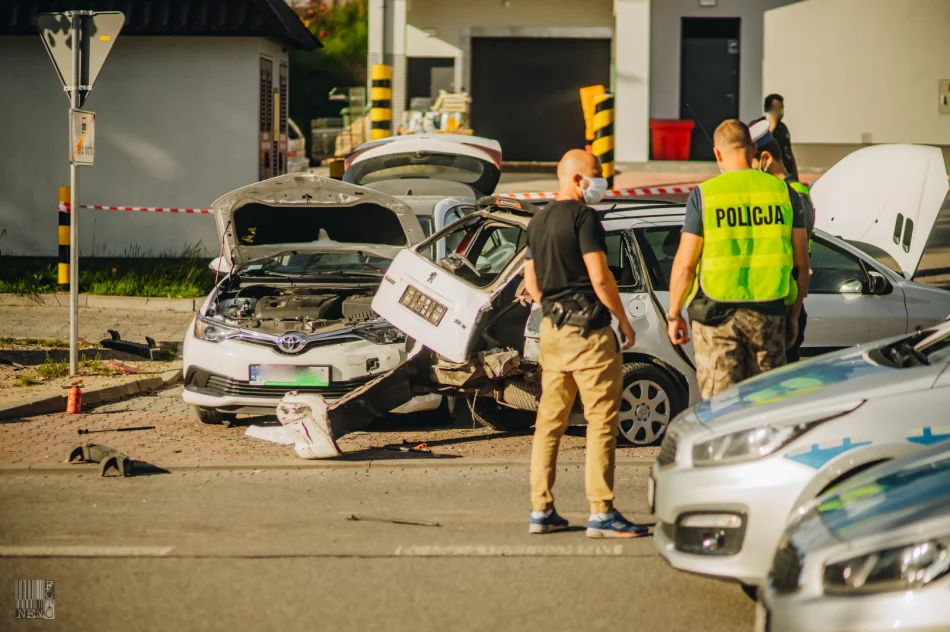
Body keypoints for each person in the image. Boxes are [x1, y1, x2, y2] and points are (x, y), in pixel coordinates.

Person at [522, 149, 648, 538]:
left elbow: (531, 284)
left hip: (552, 334)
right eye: (596, 175)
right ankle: (601, 511)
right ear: (576, 179)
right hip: (589, 335)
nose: (601, 182)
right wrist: (623, 322)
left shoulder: (538, 221)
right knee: (601, 422)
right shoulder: (584, 218)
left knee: (549, 423)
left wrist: (553, 309)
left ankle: (541, 509)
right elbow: (600, 278)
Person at [665, 120, 810, 399]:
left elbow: (685, 265)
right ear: (753, 148)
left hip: (715, 316)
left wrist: (674, 315)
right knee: (765, 409)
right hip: (768, 313)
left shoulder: (705, 195)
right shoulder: (785, 193)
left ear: (717, 154)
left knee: (721, 410)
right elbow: (801, 266)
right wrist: (793, 315)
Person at [748, 118, 815, 363]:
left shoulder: (796, 193)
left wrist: (794, 313)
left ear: (765, 159)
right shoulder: (767, 193)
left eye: (751, 163)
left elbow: (801, 264)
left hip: (788, 301)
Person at [764, 94, 799, 181]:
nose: (780, 111)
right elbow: (762, 144)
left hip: (787, 173)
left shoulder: (782, 127)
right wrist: (772, 126)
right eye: (776, 108)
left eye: (781, 107)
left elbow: (789, 151)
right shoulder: (762, 126)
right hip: (774, 175)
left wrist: (796, 175)